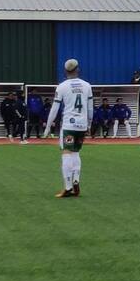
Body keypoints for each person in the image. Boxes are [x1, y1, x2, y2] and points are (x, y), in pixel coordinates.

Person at [44, 59, 94, 198]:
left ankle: (67, 187)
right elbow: (90, 108)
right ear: (78, 69)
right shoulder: (87, 86)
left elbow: (55, 109)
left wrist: (48, 126)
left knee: (66, 152)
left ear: (65, 71)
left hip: (69, 126)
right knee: (76, 152)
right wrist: (89, 124)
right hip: (82, 125)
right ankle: (76, 179)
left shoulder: (62, 87)